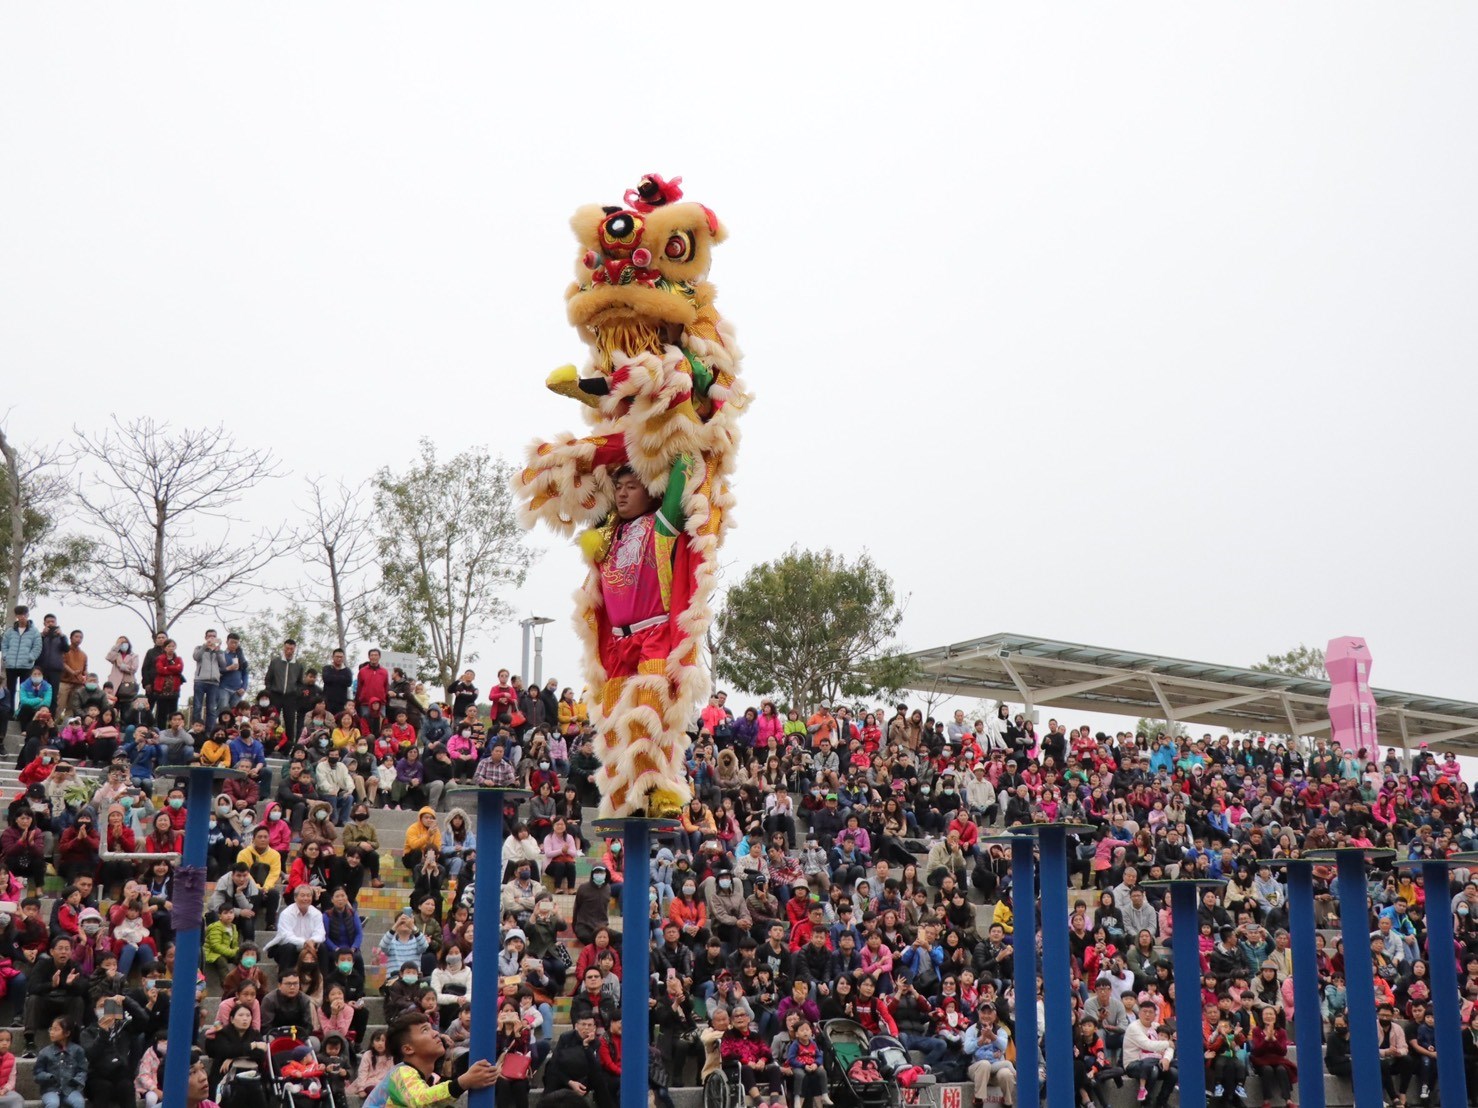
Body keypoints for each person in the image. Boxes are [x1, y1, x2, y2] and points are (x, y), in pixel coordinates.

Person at [360, 1011, 497, 1107]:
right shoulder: (401, 1073)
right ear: (408, 1049)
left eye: (432, 1028)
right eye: (425, 1030)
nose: (436, 1033)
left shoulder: (423, 1077)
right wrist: (464, 1082)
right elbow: (421, 1100)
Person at [541, 1014, 606, 1108]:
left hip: (584, 1079)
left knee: (601, 1079)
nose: (586, 1028)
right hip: (564, 1077)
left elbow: (595, 1068)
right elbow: (555, 1063)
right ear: (576, 1026)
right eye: (583, 1024)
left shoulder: (596, 1042)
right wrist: (569, 1082)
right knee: (552, 1072)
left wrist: (586, 1046)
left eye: (589, 1025)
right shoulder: (565, 1038)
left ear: (594, 1028)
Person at [1123, 1000, 1176, 1108]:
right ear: (1139, 1013)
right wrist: (1167, 1043)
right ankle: (1145, 1103)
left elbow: (1171, 1047)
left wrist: (1166, 1058)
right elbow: (1148, 1045)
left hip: (1154, 1061)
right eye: (1144, 1011)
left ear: (1155, 1015)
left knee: (1173, 1073)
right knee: (1153, 1071)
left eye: (1150, 1012)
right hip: (1134, 1064)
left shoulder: (1156, 1026)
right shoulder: (1134, 1027)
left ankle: (1161, 1103)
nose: (1147, 1014)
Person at [34, 1016, 87, 1108]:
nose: (52, 1032)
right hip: (50, 1090)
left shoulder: (77, 1050)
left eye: (56, 1029)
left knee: (79, 1102)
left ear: (67, 1033)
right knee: (53, 1104)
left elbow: (83, 1070)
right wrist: (47, 1076)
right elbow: (37, 1073)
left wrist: (76, 1080)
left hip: (71, 1089)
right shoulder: (44, 1052)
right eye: (51, 1029)